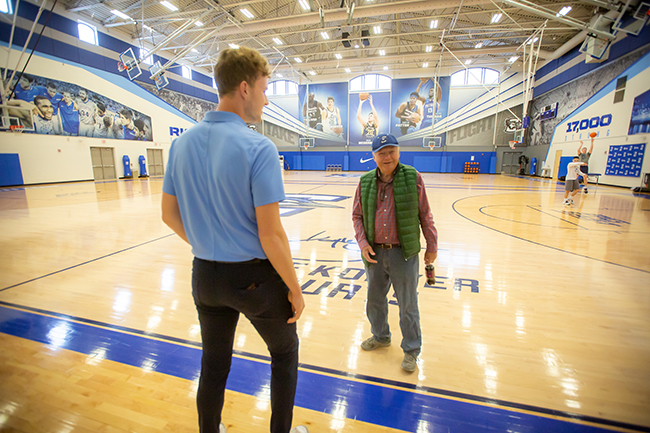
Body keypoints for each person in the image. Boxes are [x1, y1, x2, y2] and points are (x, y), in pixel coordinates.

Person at [161, 46, 308, 433]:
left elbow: (168, 214)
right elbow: (271, 233)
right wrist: (294, 287)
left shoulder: (180, 144)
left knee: (214, 364)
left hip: (205, 277)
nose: (266, 97)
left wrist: (209, 243)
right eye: (264, 88)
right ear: (244, 88)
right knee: (284, 352)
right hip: (254, 280)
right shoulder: (259, 147)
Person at [352, 133, 438, 373]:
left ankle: (411, 349)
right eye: (381, 153)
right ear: (374, 156)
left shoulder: (413, 178)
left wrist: (432, 245)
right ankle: (380, 336)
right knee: (375, 301)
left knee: (408, 304)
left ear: (398, 152)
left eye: (391, 151)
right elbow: (357, 216)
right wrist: (363, 244)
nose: (387, 157)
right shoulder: (365, 181)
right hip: (374, 254)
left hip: (404, 253)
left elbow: (425, 214)